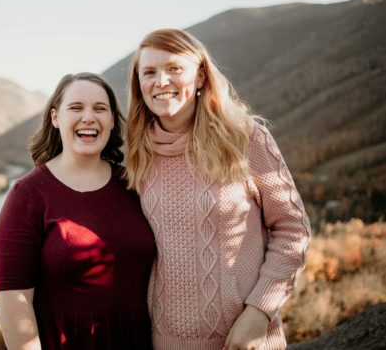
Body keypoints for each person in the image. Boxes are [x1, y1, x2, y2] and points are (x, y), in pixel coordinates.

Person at [125, 29, 311, 350]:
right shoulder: (134, 153)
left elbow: (293, 230)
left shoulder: (246, 139)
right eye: (150, 72)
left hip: (245, 340)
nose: (161, 81)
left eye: (174, 69)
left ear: (199, 77)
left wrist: (258, 312)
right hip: (161, 342)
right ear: (138, 84)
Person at [0, 72, 155, 350]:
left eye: (100, 109)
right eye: (76, 108)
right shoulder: (28, 194)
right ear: (56, 118)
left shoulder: (136, 185)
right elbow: (13, 302)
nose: (89, 117)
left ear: (112, 121)